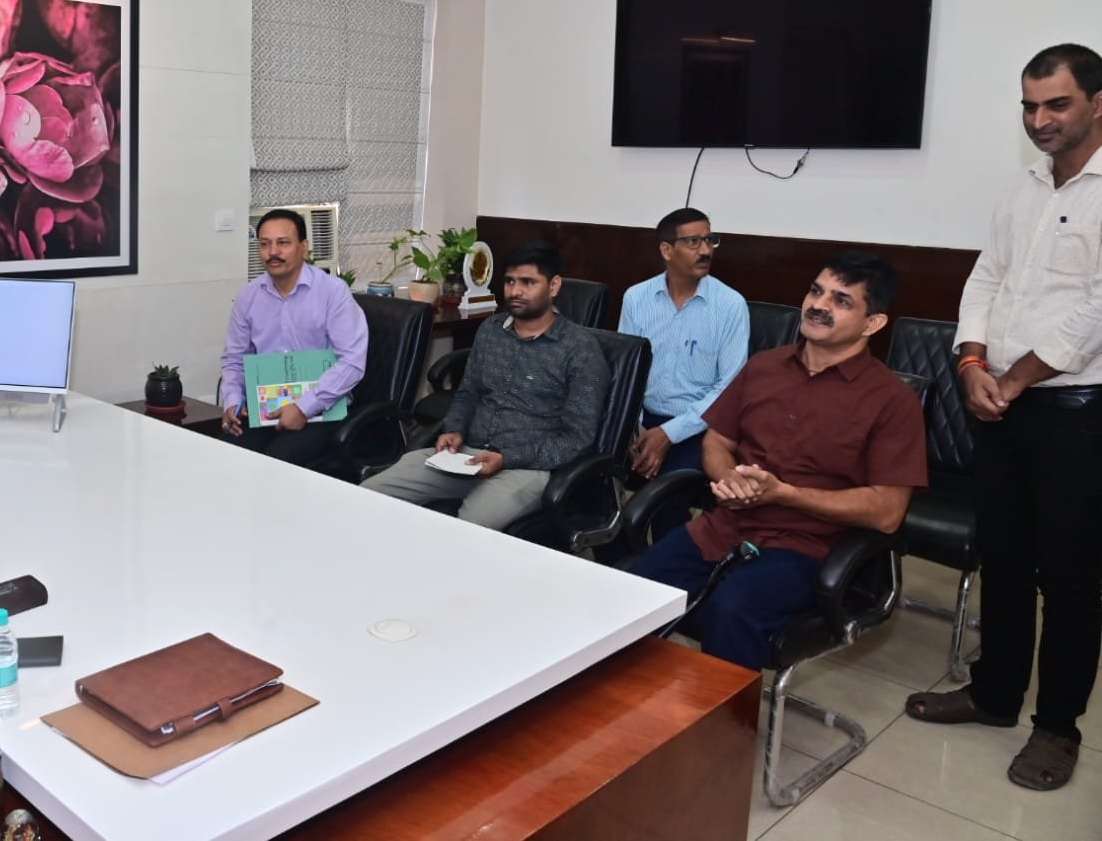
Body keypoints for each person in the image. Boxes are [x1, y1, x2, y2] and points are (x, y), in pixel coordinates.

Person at [904, 43, 1102, 792]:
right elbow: (986, 276)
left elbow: (1094, 312)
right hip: (999, 400)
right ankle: (993, 694)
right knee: (1005, 561)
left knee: (1072, 578)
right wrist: (969, 362)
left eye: (1056, 104)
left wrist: (1012, 378)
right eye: (1029, 105)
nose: (1039, 119)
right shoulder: (1023, 186)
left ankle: (1057, 727)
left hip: (1074, 410)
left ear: (1096, 103)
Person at [628, 251, 927, 671]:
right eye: (816, 291)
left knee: (732, 610)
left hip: (809, 547)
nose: (819, 305)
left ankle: (724, 714)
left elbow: (888, 512)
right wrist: (729, 478)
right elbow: (717, 441)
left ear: (872, 323)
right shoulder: (764, 367)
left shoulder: (892, 401)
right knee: (638, 589)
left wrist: (785, 495)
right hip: (726, 526)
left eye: (841, 300)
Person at [359, 240, 610, 528]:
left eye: (528, 282)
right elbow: (468, 393)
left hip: (526, 468)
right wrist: (454, 429)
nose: (515, 291)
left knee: (467, 531)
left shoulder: (580, 350)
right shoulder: (491, 330)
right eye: (510, 281)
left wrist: (507, 458)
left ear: (554, 286)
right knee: (368, 495)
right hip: (465, 456)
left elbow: (577, 438)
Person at [615, 207, 749, 543]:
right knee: (596, 476)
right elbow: (626, 372)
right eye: (693, 242)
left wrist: (669, 433)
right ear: (666, 250)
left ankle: (668, 566)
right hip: (641, 420)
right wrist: (632, 429)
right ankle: (616, 562)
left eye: (709, 240)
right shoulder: (637, 298)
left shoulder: (730, 306)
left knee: (667, 496)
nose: (705, 250)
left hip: (700, 426)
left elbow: (729, 389)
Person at [220, 208, 368, 467]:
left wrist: (303, 407)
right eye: (265, 244)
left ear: (304, 247)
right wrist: (232, 401)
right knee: (226, 454)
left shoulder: (333, 293)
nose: (273, 252)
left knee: (277, 462)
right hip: (266, 407)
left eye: (283, 243)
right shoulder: (249, 296)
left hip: (323, 408)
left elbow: (352, 362)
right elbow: (235, 359)